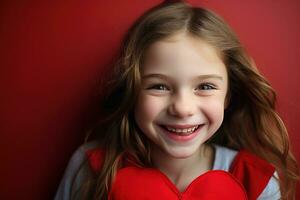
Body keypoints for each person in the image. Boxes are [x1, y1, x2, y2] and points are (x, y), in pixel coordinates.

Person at [55, 1, 300, 200]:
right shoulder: (90, 168)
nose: (183, 108)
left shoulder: (258, 182)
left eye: (205, 86)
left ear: (228, 96)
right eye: (159, 86)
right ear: (132, 92)